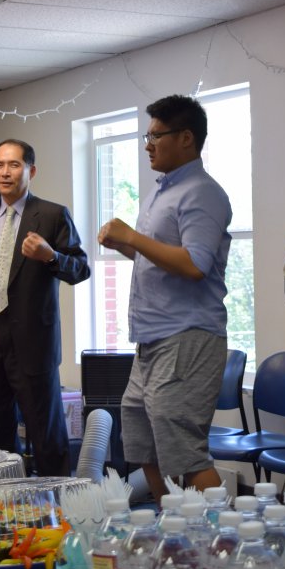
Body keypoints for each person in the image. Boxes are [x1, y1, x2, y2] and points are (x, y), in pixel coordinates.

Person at [98, 94, 231, 501]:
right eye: (147, 136)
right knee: (143, 445)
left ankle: (222, 533)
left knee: (184, 452)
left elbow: (195, 264)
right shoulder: (162, 191)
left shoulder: (202, 193)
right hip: (151, 340)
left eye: (156, 136)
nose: (148, 145)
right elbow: (161, 259)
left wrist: (133, 237)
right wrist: (126, 245)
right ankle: (172, 527)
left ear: (186, 138)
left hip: (187, 337)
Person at [0, 138, 90, 476]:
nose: (5, 172)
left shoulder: (53, 215)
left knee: (46, 435)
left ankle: (57, 499)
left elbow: (80, 269)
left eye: (13, 165)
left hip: (34, 343)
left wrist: (51, 256)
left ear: (31, 170)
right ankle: (3, 500)